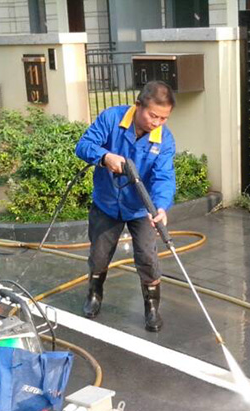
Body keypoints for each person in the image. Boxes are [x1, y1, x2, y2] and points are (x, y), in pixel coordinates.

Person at [75, 80, 177, 332]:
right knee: (99, 255)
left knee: (147, 257)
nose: (157, 122)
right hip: (107, 202)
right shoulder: (112, 119)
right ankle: (94, 293)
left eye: (163, 118)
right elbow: (84, 146)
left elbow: (164, 177)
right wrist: (104, 157)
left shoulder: (164, 139)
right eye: (153, 115)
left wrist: (160, 207)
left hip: (141, 208)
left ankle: (151, 308)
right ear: (138, 105)